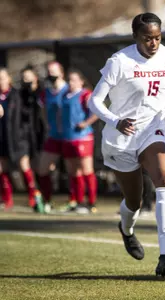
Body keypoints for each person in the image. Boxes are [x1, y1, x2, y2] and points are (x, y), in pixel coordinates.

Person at [88, 12, 165, 277]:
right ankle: (127, 229)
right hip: (120, 138)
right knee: (134, 200)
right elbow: (94, 101)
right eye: (147, 38)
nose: (153, 43)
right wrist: (114, 119)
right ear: (135, 37)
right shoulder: (120, 61)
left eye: (157, 37)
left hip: (152, 130)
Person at [59, 69, 98, 213]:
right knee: (73, 171)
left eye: (74, 80)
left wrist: (85, 123)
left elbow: (97, 112)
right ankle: (77, 201)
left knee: (87, 169)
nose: (71, 82)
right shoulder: (65, 95)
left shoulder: (86, 94)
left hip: (83, 137)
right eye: (69, 80)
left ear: (81, 81)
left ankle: (92, 203)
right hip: (68, 137)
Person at [37, 61, 70, 213]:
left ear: (61, 72)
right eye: (49, 71)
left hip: (70, 136)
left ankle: (78, 201)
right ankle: (47, 200)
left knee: (74, 171)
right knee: (42, 168)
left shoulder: (69, 90)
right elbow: (43, 110)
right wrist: (47, 125)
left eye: (54, 71)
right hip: (54, 136)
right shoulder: (46, 92)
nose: (51, 74)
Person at [0, 68, 26, 210]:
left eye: (3, 77)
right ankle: (7, 199)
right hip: (2, 137)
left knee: (24, 166)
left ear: (8, 78)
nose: (1, 81)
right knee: (2, 168)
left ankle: (35, 197)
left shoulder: (16, 94)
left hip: (17, 138)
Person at [20, 65, 45, 208]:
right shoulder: (20, 94)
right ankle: (33, 194)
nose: (26, 80)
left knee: (40, 166)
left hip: (41, 133)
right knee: (24, 164)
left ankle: (42, 195)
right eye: (24, 78)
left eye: (29, 77)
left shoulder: (42, 93)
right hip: (24, 134)